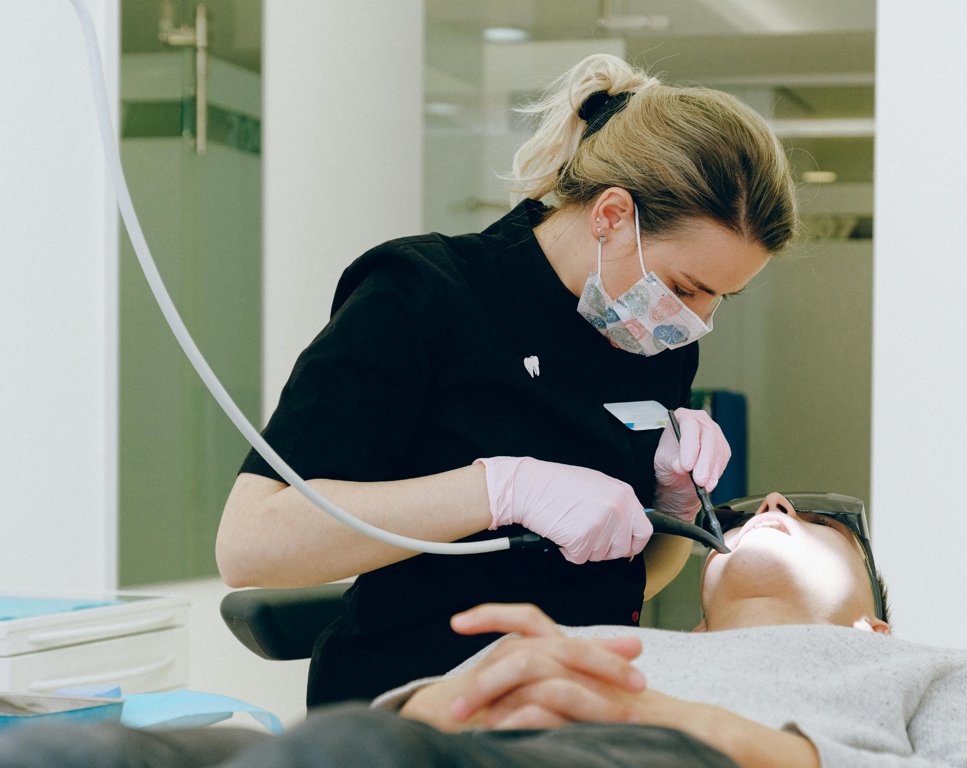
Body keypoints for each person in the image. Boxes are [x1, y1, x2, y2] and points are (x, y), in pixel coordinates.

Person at [214, 52, 799, 707]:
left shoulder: (654, 342)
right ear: (611, 215)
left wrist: (671, 509)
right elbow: (251, 544)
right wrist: (499, 490)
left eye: (723, 297)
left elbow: (629, 580)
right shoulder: (422, 296)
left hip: (571, 707)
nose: (697, 321)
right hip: (410, 711)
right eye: (687, 287)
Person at [0, 493, 967, 768]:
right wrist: (446, 698)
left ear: (873, 618)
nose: (767, 507)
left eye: (807, 517)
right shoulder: (615, 641)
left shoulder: (936, 669)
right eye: (754, 511)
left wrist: (724, 737)